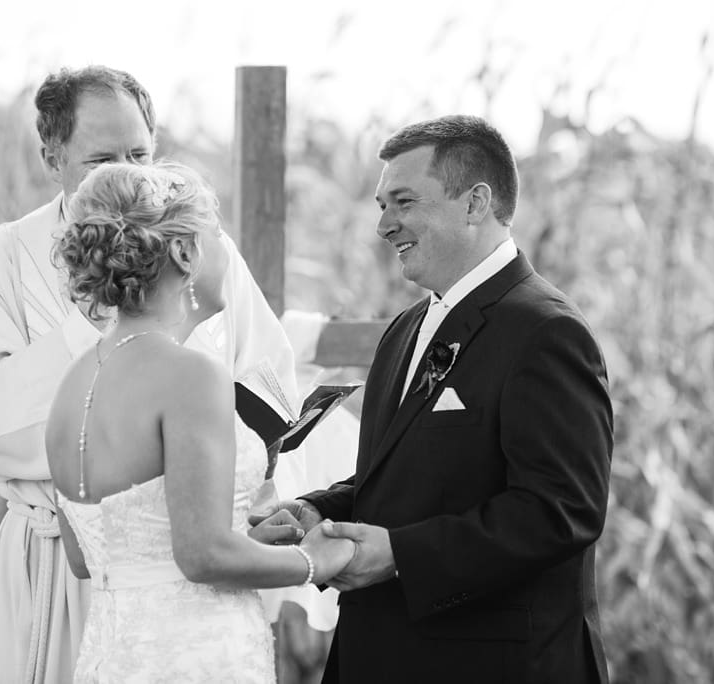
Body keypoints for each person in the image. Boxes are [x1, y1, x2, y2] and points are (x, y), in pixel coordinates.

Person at [0, 65, 301, 683]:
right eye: (103, 160)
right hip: (62, 562)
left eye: (139, 154)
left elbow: (269, 380)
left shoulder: (205, 249)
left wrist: (250, 504)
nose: (129, 173)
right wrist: (95, 327)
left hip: (207, 571)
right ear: (52, 157)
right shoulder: (1, 258)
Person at [251, 115, 614, 683]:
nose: (383, 225)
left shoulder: (546, 332)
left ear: (475, 203)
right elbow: (402, 476)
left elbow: (560, 511)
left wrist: (400, 555)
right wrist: (321, 507)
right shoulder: (404, 330)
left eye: (404, 202)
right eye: (382, 206)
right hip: (382, 655)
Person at [44, 161, 352, 682]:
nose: (228, 253)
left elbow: (88, 556)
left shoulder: (72, 382)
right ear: (185, 252)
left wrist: (247, 543)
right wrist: (315, 561)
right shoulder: (192, 374)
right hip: (195, 656)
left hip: (113, 656)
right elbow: (202, 556)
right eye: (217, 234)